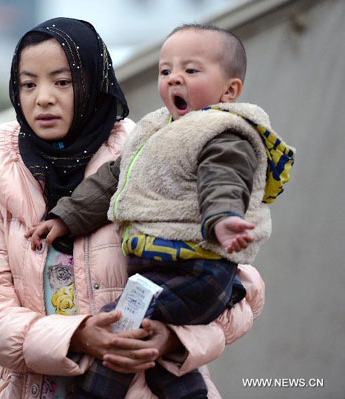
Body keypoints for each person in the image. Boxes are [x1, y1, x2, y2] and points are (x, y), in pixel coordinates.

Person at [0, 18, 266, 399]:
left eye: (63, 81)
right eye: (28, 84)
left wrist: (174, 337)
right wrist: (77, 337)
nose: (43, 98)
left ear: (93, 84)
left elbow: (241, 293)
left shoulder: (155, 167)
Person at [27, 24, 295, 399]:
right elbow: (113, 181)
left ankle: (94, 394)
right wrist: (64, 217)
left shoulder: (223, 133)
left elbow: (223, 180)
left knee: (122, 319)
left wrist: (221, 222)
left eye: (191, 70)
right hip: (162, 266)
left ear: (230, 90)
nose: (174, 79)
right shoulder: (155, 131)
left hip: (196, 265)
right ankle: (186, 391)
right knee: (151, 344)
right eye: (165, 71)